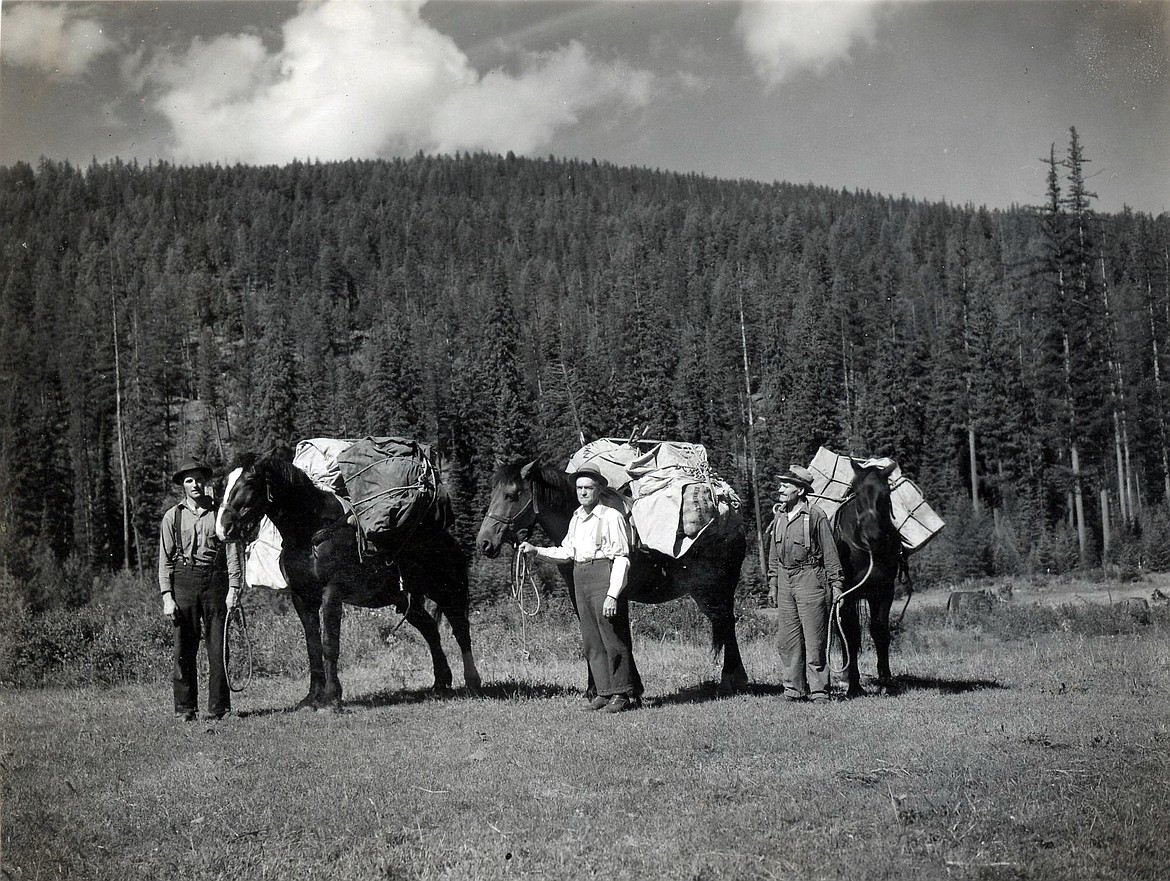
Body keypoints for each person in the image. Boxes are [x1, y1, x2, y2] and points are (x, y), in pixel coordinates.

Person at [519, 466, 642, 713]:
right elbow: (567, 551)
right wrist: (537, 550)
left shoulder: (610, 517)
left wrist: (612, 594)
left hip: (603, 575)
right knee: (592, 639)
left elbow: (621, 558)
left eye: (588, 487)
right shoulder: (576, 517)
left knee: (612, 637)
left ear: (598, 490)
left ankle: (623, 693)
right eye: (579, 488)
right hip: (580, 576)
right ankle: (603, 692)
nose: (583, 492)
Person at [157, 457, 243, 721]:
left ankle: (219, 708)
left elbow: (232, 552)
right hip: (184, 582)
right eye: (189, 480)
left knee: (218, 648)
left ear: (206, 482)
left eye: (199, 479)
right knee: (184, 649)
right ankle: (185, 709)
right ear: (182, 485)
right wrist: (167, 597)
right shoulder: (173, 517)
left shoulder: (219, 514)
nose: (195, 484)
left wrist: (234, 589)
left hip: (215, 584)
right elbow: (165, 559)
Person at [766, 465, 843, 702]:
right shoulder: (779, 515)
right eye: (780, 484)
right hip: (785, 580)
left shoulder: (816, 515)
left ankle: (819, 691)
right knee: (787, 641)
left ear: (800, 490)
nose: (780, 489)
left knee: (814, 640)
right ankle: (794, 690)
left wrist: (837, 584)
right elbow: (774, 553)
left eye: (785, 485)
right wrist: (773, 583)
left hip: (811, 579)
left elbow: (830, 553)